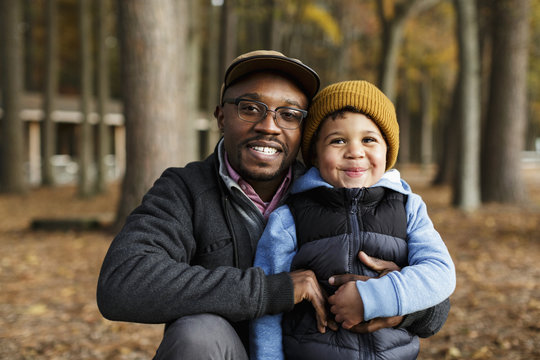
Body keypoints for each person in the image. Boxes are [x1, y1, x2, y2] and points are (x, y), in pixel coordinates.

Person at [97, 51, 450, 360]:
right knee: (197, 334)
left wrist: (395, 303)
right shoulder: (185, 190)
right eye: (250, 108)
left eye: (289, 114)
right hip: (226, 352)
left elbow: (437, 302)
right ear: (221, 116)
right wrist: (272, 291)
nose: (269, 126)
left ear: (304, 130)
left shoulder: (337, 187)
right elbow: (123, 283)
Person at [250, 80, 456, 360]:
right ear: (315, 155)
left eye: (369, 139)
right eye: (338, 140)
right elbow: (268, 309)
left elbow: (440, 272)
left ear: (387, 150)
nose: (355, 151)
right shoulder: (289, 218)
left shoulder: (409, 208)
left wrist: (374, 297)